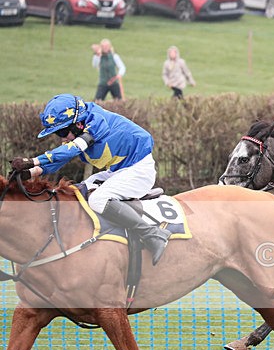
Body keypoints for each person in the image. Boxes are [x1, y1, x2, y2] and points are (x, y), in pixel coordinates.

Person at [9, 94, 172, 265]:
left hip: (139, 171)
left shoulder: (97, 124)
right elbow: (60, 159)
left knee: (98, 199)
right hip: (119, 171)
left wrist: (32, 161)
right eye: (58, 134)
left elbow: (70, 150)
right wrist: (31, 172)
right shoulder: (80, 128)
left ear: (78, 124)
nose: (62, 138)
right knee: (76, 192)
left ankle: (153, 234)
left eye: (63, 132)